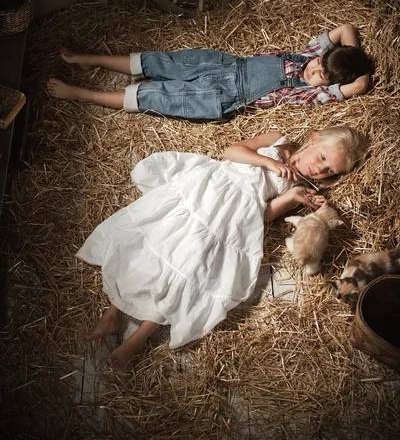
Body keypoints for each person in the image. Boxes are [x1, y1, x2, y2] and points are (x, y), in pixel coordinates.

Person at [76, 125, 366, 371]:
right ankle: (114, 312)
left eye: (328, 170)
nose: (319, 169)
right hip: (207, 191)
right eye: (323, 157)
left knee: (192, 271)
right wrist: (269, 163)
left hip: (233, 220)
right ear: (314, 140)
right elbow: (232, 151)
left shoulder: (300, 185)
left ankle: (137, 338)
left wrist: (291, 200)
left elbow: (264, 216)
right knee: (160, 241)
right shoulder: (278, 141)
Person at [47, 24, 373, 121]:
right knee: (160, 62)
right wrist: (345, 56)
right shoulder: (309, 56)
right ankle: (90, 59)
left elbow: (360, 84)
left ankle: (84, 94)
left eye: (321, 75)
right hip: (225, 65)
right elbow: (346, 29)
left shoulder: (311, 94)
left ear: (328, 86)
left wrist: (356, 71)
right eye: (320, 63)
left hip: (223, 96)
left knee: (158, 95)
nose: (313, 69)